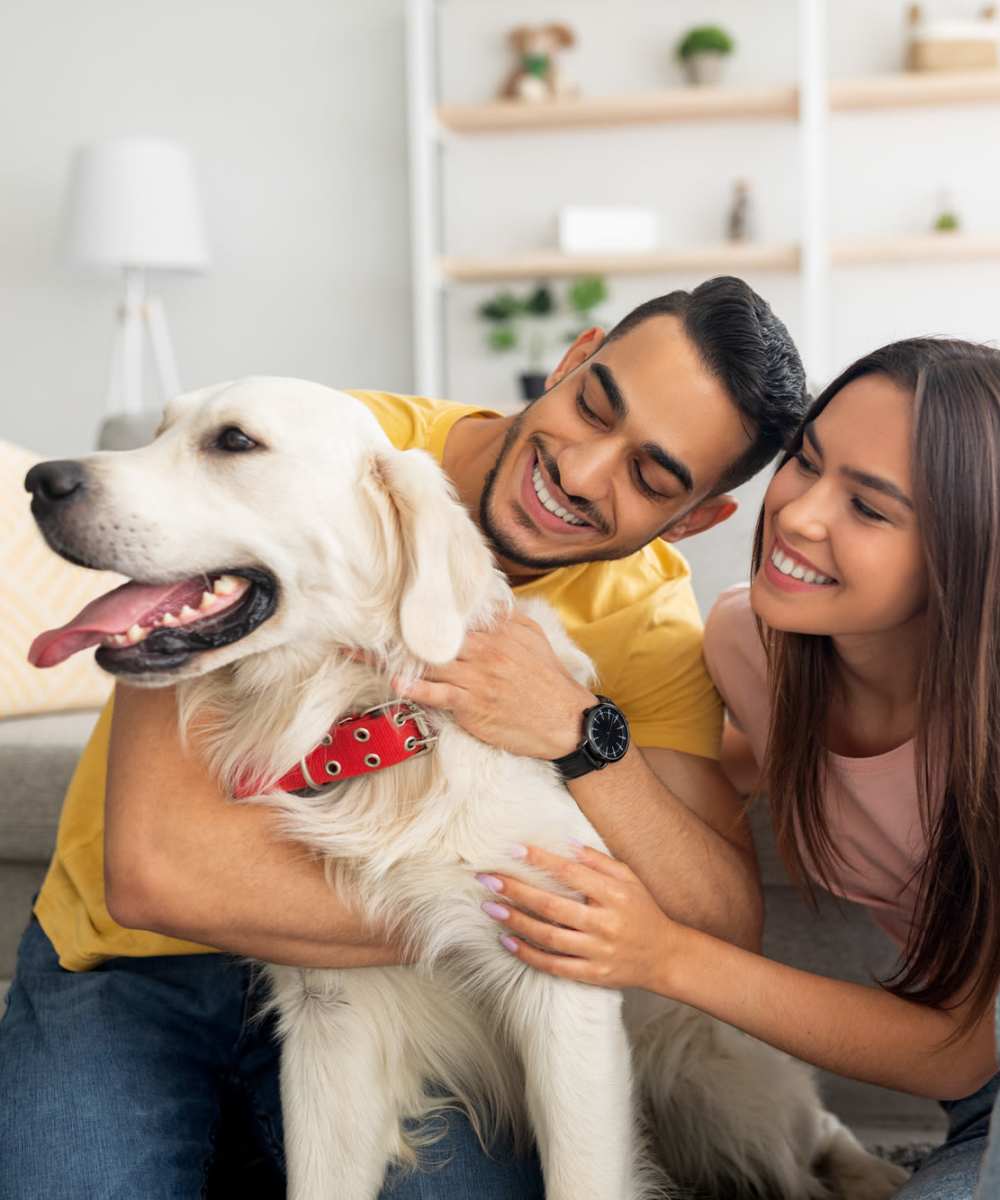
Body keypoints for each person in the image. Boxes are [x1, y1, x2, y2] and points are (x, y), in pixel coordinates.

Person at [0, 275, 810, 1199]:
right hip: (134, 968)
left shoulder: (648, 614)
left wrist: (579, 733)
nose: (583, 472)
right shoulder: (334, 439)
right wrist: (512, 918)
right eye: (594, 405)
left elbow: (714, 921)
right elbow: (156, 877)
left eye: (651, 476)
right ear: (575, 356)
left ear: (695, 518)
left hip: (402, 988)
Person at [469, 338, 1000, 1199]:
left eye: (868, 508)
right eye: (805, 461)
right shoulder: (755, 646)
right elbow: (726, 773)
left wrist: (661, 953)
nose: (795, 515)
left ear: (968, 552)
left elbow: (959, 1046)